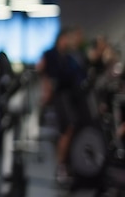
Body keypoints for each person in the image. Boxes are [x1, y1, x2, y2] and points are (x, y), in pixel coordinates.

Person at [36, 26, 88, 186]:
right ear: (60, 39)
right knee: (67, 129)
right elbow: (41, 70)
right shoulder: (51, 54)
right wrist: (46, 89)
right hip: (59, 97)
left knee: (72, 129)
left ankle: (67, 164)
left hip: (72, 97)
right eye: (66, 39)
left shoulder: (69, 57)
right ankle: (61, 166)